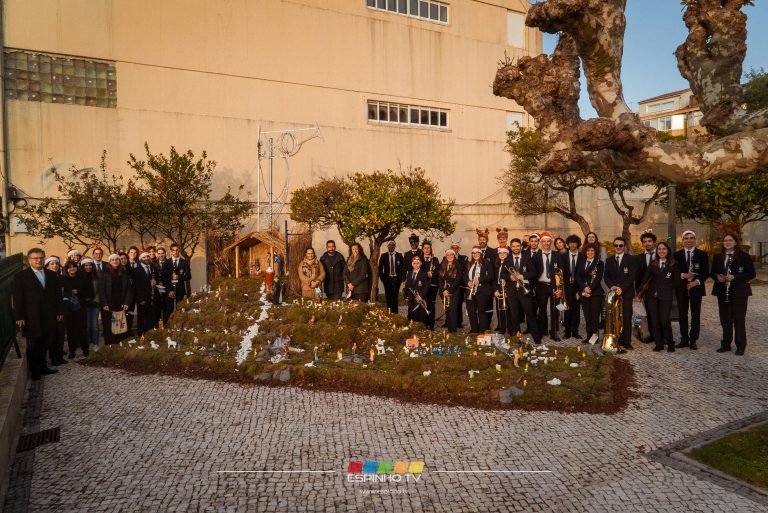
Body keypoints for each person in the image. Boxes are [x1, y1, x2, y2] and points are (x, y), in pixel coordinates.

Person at [13, 248, 64, 380]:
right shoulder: (21, 277)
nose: (39, 260)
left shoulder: (52, 275)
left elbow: (58, 295)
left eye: (41, 258)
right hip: (31, 317)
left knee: (45, 342)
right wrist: (19, 316)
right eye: (35, 258)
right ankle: (35, 371)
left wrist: (59, 311)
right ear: (30, 260)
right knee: (32, 345)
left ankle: (43, 367)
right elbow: (18, 298)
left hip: (48, 315)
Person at [711, 233, 755, 355]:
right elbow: (712, 272)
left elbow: (751, 274)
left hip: (739, 292)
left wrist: (734, 277)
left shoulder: (744, 256)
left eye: (730, 240)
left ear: (735, 242)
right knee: (725, 319)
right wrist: (717, 277)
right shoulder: (718, 256)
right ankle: (726, 344)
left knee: (739, 319)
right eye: (725, 240)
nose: (727, 242)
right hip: (722, 291)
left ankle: (741, 346)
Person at [638, 241, 680, 352]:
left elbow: (677, 281)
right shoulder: (653, 264)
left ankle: (670, 343)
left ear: (668, 251)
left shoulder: (673, 264)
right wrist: (639, 293)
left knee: (665, 321)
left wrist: (667, 286)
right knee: (655, 321)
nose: (661, 251)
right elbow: (645, 279)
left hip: (666, 297)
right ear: (657, 251)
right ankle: (659, 344)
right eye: (659, 249)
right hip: (652, 297)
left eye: (664, 249)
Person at [674, 230, 709, 350]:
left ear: (695, 239)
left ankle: (693, 340)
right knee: (682, 315)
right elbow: (673, 272)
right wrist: (682, 275)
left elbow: (705, 273)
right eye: (686, 238)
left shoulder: (702, 254)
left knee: (695, 315)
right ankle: (684, 339)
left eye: (691, 238)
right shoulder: (676, 255)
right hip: (681, 289)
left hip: (696, 289)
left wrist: (696, 282)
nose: (689, 240)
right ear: (682, 240)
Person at [604, 236, 638, 350]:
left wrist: (621, 288)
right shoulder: (609, 260)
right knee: (614, 317)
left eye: (620, 245)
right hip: (613, 293)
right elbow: (606, 277)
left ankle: (626, 341)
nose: (618, 247)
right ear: (614, 246)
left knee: (627, 317)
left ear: (624, 247)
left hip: (626, 293)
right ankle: (616, 339)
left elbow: (632, 276)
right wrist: (612, 286)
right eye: (616, 245)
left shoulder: (631, 259)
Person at [505, 238, 541, 341]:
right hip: (512, 291)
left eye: (517, 246)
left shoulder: (527, 258)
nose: (515, 248)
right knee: (515, 315)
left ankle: (536, 336)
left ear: (520, 246)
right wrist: (510, 277)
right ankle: (517, 335)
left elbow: (534, 272)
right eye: (513, 246)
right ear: (511, 247)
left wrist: (523, 276)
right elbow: (503, 274)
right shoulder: (507, 259)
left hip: (524, 291)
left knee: (530, 313)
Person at [532, 232, 561, 341]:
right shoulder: (536, 256)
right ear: (541, 243)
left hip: (554, 286)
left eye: (548, 241)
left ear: (551, 242)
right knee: (542, 310)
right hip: (541, 286)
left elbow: (560, 273)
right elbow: (533, 273)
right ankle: (540, 332)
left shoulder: (557, 255)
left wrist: (559, 288)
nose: (546, 243)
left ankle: (554, 333)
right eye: (544, 241)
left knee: (555, 310)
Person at [99, 253, 134, 345]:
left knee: (121, 323)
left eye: (117, 259)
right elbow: (101, 290)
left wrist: (127, 303)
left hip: (121, 303)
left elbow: (129, 290)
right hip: (108, 304)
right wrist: (104, 303)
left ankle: (120, 344)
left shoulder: (124, 272)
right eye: (112, 260)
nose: (115, 261)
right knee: (109, 325)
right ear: (110, 262)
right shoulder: (104, 273)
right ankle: (110, 344)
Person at [62, 260, 92, 358]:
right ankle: (72, 350)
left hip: (81, 307)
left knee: (82, 328)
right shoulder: (63, 280)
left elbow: (90, 293)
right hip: (68, 308)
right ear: (66, 269)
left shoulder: (83, 278)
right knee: (70, 330)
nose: (72, 268)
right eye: (69, 267)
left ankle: (85, 349)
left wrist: (78, 292)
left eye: (74, 266)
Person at [577, 243, 604, 345]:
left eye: (592, 251)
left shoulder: (599, 263)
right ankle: (589, 336)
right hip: (584, 292)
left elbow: (598, 278)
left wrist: (590, 289)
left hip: (595, 293)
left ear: (596, 252)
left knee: (594, 317)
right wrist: (584, 288)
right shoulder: (581, 262)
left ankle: (594, 338)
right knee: (587, 316)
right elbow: (578, 277)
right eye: (588, 251)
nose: (590, 252)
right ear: (585, 252)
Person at [464, 247, 494, 334]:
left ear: (480, 254)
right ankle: (474, 329)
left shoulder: (487, 263)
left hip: (482, 290)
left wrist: (479, 280)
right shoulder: (469, 264)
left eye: (477, 253)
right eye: (473, 253)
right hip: (470, 290)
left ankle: (482, 329)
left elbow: (491, 276)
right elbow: (464, 276)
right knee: (471, 311)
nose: (475, 254)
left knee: (481, 311)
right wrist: (468, 282)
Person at [44, 255, 67, 365]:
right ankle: (53, 358)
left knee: (61, 334)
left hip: (61, 310)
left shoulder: (61, 278)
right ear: (47, 266)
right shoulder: (44, 279)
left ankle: (59, 356)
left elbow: (65, 293)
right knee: (52, 336)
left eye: (57, 264)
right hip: (49, 312)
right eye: (52, 264)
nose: (55, 266)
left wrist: (61, 311)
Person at [161, 243, 191, 325]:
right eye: (173, 250)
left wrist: (179, 277)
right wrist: (169, 290)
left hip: (180, 290)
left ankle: (178, 326)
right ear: (170, 251)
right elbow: (163, 279)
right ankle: (167, 327)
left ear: (179, 250)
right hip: (169, 290)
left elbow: (188, 276)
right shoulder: (166, 263)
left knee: (180, 309)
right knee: (168, 310)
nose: (175, 252)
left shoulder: (184, 262)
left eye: (177, 250)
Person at [636, 231, 658, 343]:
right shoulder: (638, 258)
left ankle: (659, 335)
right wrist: (638, 292)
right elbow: (636, 276)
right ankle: (645, 334)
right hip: (643, 291)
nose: (647, 243)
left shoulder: (660, 256)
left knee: (658, 313)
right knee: (644, 313)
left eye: (649, 241)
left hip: (657, 290)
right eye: (645, 242)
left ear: (654, 242)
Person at [561, 234, 584, 339]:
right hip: (566, 287)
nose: (572, 244)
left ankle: (575, 331)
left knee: (576, 311)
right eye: (570, 242)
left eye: (574, 242)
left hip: (578, 287)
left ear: (578, 244)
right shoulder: (563, 256)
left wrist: (581, 289)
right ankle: (567, 332)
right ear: (568, 244)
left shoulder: (582, 256)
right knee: (566, 309)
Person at [134, 250, 159, 336]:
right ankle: (141, 336)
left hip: (152, 297)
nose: (146, 258)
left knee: (151, 318)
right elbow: (136, 286)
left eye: (148, 256)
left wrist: (155, 282)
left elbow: (157, 279)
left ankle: (150, 335)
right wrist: (140, 299)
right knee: (142, 318)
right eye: (144, 257)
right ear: (141, 259)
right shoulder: (136, 270)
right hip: (142, 299)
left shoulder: (152, 267)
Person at [79, 257, 101, 353]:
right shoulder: (80, 277)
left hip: (95, 304)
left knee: (95, 325)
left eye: (90, 265)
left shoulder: (96, 276)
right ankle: (87, 343)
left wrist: (96, 300)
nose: (88, 267)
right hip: (84, 304)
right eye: (86, 265)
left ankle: (96, 344)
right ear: (83, 266)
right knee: (87, 326)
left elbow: (99, 291)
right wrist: (84, 300)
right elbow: (79, 291)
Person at [438, 249, 462, 332]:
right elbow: (440, 279)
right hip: (444, 292)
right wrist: (443, 290)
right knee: (447, 311)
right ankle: (449, 330)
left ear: (454, 256)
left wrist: (449, 290)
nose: (449, 256)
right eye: (447, 255)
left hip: (454, 292)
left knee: (453, 311)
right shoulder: (443, 265)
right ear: (445, 256)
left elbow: (458, 279)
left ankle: (454, 331)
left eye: (451, 255)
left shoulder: (458, 265)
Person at [377, 239, 403, 314]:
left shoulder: (399, 255)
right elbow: (380, 268)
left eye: (393, 245)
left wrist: (400, 278)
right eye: (390, 245)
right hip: (387, 279)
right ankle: (389, 314)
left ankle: (395, 314)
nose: (391, 246)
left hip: (396, 279)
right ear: (387, 246)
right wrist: (382, 278)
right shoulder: (383, 256)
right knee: (388, 297)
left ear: (395, 246)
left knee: (395, 297)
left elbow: (402, 268)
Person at [404, 255, 430, 326]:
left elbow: (427, 286)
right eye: (414, 263)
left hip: (420, 298)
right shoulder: (409, 273)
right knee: (411, 314)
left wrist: (421, 295)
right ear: (412, 264)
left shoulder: (423, 273)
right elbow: (407, 285)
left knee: (420, 315)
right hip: (411, 298)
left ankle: (421, 329)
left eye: (417, 263)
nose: (416, 265)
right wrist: (406, 295)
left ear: (420, 264)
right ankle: (412, 328)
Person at [493, 247, 513, 334]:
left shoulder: (510, 264)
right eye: (500, 253)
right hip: (498, 288)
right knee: (500, 310)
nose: (502, 255)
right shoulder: (496, 265)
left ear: (507, 255)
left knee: (509, 310)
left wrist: (507, 291)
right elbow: (494, 279)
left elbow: (512, 279)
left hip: (507, 289)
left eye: (504, 253)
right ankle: (502, 328)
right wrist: (495, 290)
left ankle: (510, 329)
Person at [421, 242, 439, 330]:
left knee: (431, 304)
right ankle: (424, 323)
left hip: (433, 285)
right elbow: (418, 271)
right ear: (422, 249)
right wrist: (426, 274)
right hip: (423, 286)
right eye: (425, 248)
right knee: (424, 303)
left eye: (428, 248)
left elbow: (437, 271)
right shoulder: (419, 259)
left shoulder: (435, 259)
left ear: (430, 249)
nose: (427, 249)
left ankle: (431, 325)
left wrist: (432, 274)